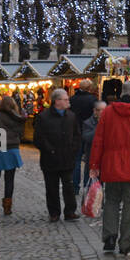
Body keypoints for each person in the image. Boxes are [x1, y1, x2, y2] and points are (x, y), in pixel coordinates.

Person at [88, 78, 130, 255]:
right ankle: (125, 242)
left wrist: (94, 164)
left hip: (111, 165)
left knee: (111, 202)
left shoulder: (109, 112)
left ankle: (109, 236)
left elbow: (98, 141)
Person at [34, 88, 81, 223]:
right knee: (51, 187)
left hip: (67, 158)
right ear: (57, 101)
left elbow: (77, 135)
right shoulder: (44, 117)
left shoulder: (71, 116)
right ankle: (54, 212)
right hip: (50, 159)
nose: (68, 101)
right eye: (66, 99)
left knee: (69, 186)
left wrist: (73, 149)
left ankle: (70, 211)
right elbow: (39, 138)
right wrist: (50, 150)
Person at [0, 95, 27, 216]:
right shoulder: (17, 119)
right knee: (9, 179)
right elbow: (21, 134)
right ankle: (7, 207)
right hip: (11, 149)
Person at [68, 79, 99, 189]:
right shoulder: (93, 100)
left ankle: (75, 185)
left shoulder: (72, 99)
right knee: (89, 161)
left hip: (75, 132)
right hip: (89, 132)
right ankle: (87, 184)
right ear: (89, 88)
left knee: (76, 160)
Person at [80, 101, 106, 189]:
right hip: (92, 157)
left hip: (106, 157)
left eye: (104, 110)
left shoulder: (110, 122)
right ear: (95, 111)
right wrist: (100, 127)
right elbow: (86, 138)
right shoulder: (88, 123)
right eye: (100, 110)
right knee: (90, 183)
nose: (102, 113)